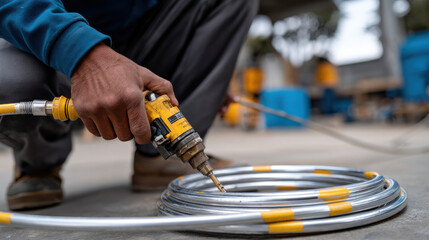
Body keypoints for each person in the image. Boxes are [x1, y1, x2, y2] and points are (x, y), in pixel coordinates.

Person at [0, 0, 258, 210]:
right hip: (49, 27)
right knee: (13, 84)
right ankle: (38, 161)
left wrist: (209, 62)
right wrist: (81, 53)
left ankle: (160, 158)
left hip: (144, 28)